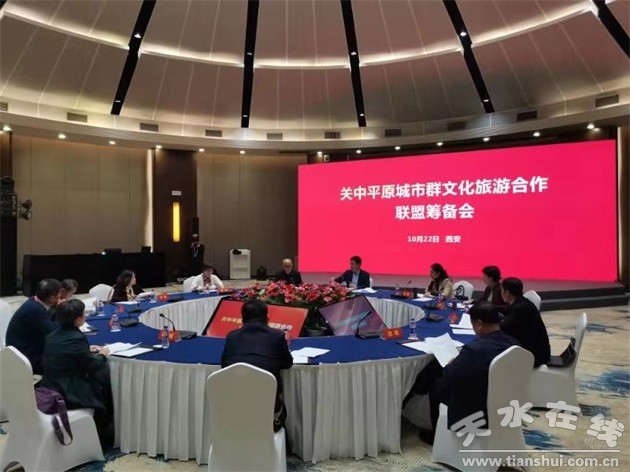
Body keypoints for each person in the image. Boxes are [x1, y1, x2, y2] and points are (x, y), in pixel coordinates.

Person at [415, 302, 520, 444]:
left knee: (436, 383)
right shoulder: (514, 343)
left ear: (479, 324)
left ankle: (436, 435)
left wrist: (451, 365)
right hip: (507, 402)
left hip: (478, 408)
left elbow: (450, 378)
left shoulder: (474, 350)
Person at [42, 299, 114, 448]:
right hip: (68, 391)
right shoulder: (76, 337)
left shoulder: (52, 335)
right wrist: (102, 354)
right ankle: (104, 436)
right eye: (83, 314)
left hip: (50, 384)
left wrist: (86, 351)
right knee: (106, 384)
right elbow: (92, 365)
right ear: (78, 319)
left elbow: (67, 355)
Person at [221, 299, 293, 431]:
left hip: (235, 413)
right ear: (267, 318)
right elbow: (287, 364)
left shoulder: (232, 337)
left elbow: (225, 366)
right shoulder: (277, 336)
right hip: (270, 416)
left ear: (242, 319)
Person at [5, 278, 62, 375]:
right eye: (59, 295)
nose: (60, 298)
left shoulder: (34, 301)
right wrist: (60, 310)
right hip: (26, 357)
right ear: (52, 298)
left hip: (27, 347)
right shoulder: (35, 310)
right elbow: (53, 331)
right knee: (64, 360)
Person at [500, 277, 551, 367]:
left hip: (534, 355)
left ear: (507, 293)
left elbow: (503, 327)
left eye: (502, 290)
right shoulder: (522, 302)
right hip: (535, 350)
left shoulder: (520, 308)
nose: (501, 293)